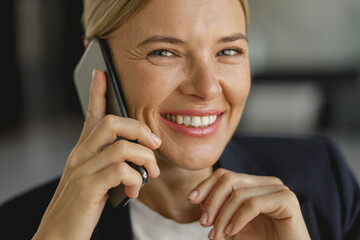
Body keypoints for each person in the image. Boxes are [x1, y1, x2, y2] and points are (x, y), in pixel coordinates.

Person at [1, 0, 359, 239]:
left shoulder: (324, 178)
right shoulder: (25, 225)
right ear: (97, 65)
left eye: (228, 50)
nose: (206, 88)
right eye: (164, 52)